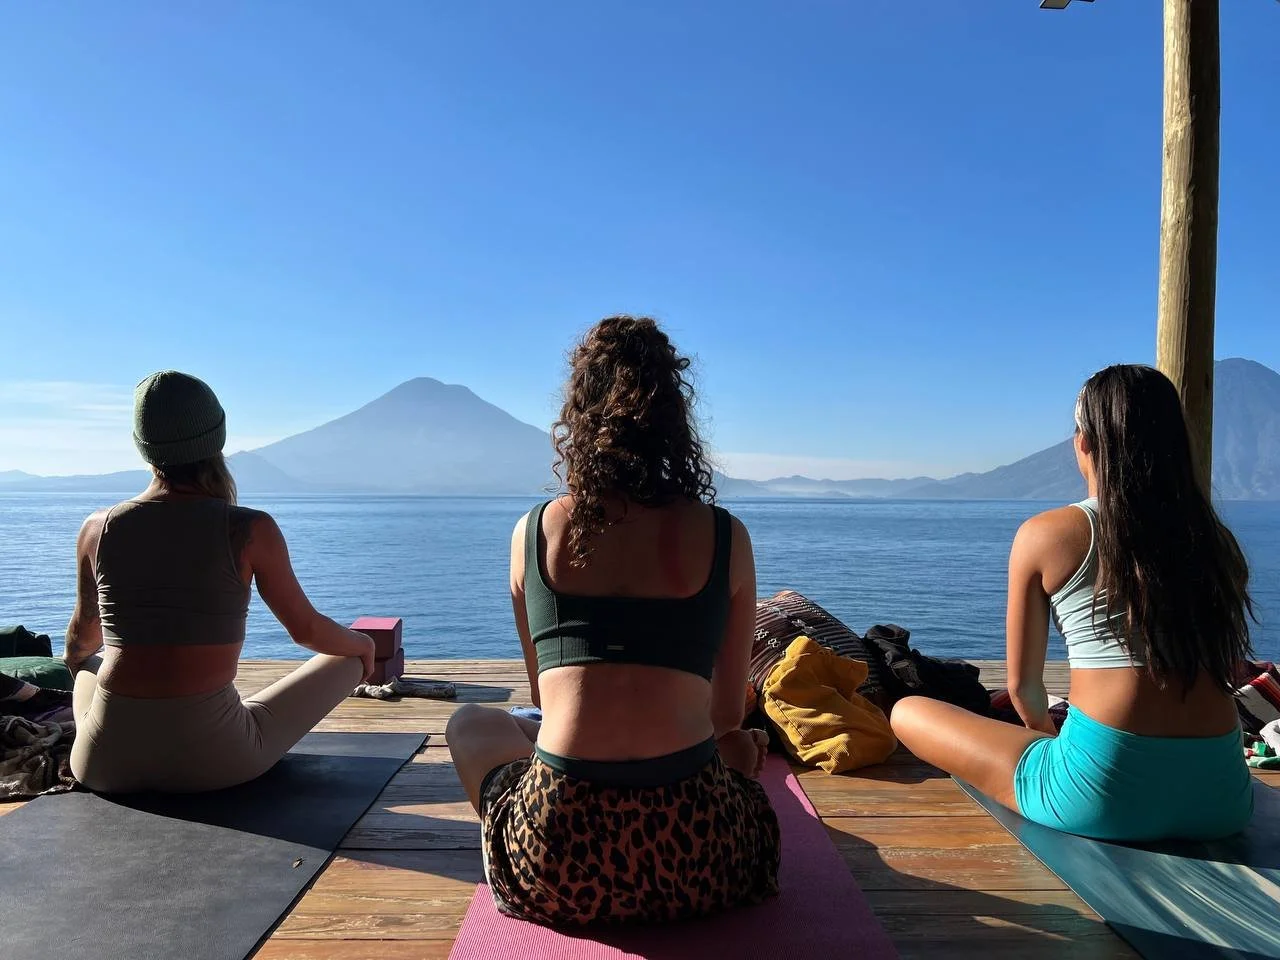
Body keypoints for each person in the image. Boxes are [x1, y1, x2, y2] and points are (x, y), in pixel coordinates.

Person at [446, 316, 781, 926]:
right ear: (676, 419)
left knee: (469, 721)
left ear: (576, 416)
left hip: (556, 865)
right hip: (707, 859)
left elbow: (546, 699)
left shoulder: (530, 534)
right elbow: (726, 715)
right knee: (725, 750)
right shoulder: (727, 536)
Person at [891, 364, 1255, 842]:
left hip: (1102, 797)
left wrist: (1046, 739)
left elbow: (1023, 688)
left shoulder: (1048, 534)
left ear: (1083, 443)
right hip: (1223, 797)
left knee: (909, 711)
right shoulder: (1218, 542)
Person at [65, 370, 376, 793]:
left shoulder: (97, 529)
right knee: (348, 658)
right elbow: (306, 631)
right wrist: (365, 645)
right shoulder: (249, 529)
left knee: (89, 666)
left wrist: (87, 668)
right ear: (217, 440)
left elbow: (81, 643)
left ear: (144, 447)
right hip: (219, 760)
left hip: (103, 763)